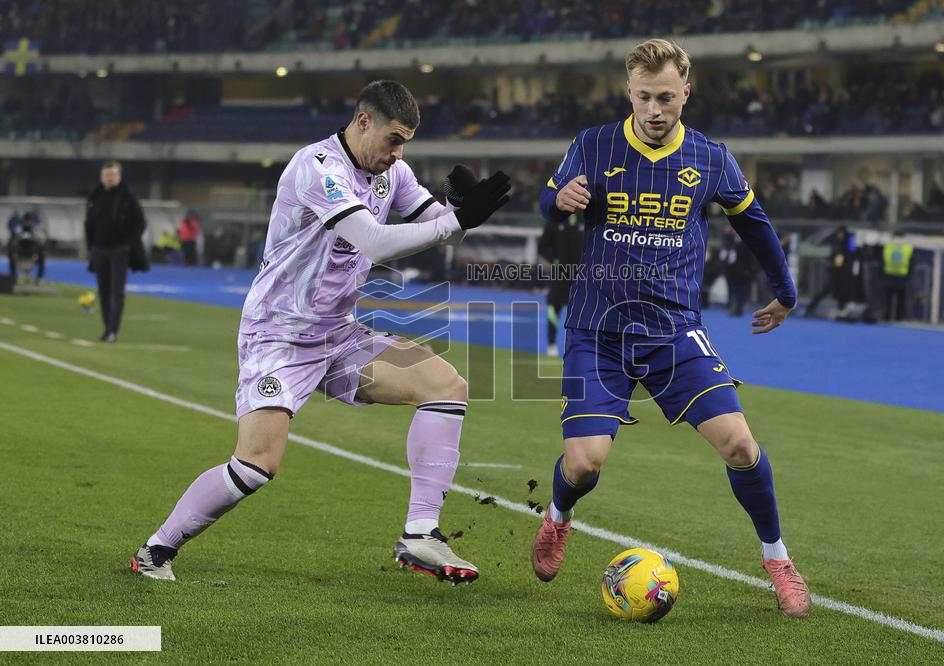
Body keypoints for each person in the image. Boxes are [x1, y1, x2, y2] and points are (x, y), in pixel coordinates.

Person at [130, 80, 511, 585]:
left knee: (446, 386)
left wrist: (467, 212)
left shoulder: (392, 173)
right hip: (279, 334)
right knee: (256, 465)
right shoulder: (318, 167)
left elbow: (440, 227)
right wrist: (456, 221)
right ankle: (156, 549)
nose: (398, 154)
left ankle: (421, 533)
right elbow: (375, 241)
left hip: (338, 334)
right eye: (393, 140)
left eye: (405, 143)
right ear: (363, 122)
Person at [532, 39, 811, 618]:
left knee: (740, 445)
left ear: (686, 91)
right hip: (598, 331)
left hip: (674, 332)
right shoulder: (593, 143)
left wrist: (785, 292)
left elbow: (755, 225)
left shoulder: (712, 158)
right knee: (584, 463)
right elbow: (546, 199)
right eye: (643, 97)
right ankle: (558, 516)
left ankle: (779, 560)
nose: (654, 110)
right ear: (628, 92)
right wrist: (558, 198)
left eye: (665, 97)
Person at [84, 161, 147, 342]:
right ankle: (107, 328)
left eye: (112, 175)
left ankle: (113, 330)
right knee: (103, 291)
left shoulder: (127, 196)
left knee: (116, 292)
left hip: (119, 250)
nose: (109, 179)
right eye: (106, 175)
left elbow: (140, 223)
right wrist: (91, 247)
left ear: (119, 176)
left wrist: (128, 244)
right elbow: (89, 223)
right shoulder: (95, 195)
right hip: (99, 249)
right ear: (101, 177)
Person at [537, 212, 586, 355]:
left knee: (583, 311)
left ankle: (580, 346)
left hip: (581, 275)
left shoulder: (586, 219)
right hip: (559, 275)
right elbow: (542, 247)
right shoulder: (555, 220)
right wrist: (555, 261)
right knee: (553, 307)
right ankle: (551, 344)